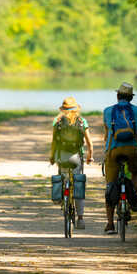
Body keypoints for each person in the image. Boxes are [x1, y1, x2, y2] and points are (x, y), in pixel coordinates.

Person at [102, 82, 137, 234]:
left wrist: (106, 151)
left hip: (113, 150)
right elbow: (136, 132)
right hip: (132, 149)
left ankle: (110, 224)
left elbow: (107, 135)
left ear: (117, 95)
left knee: (110, 185)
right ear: (131, 98)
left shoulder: (107, 111)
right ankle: (130, 198)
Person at [49, 96, 94, 229]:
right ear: (76, 109)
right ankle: (80, 219)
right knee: (78, 183)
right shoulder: (82, 121)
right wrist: (89, 157)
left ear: (63, 109)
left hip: (62, 157)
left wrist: (52, 157)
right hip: (76, 158)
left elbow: (54, 142)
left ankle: (60, 195)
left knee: (63, 177)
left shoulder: (57, 121)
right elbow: (90, 143)